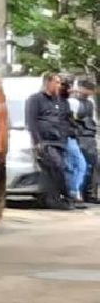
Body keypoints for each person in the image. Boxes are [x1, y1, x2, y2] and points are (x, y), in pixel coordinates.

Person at [26, 72, 75, 209]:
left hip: (60, 141)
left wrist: (66, 135)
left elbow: (67, 120)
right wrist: (37, 141)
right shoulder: (35, 99)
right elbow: (31, 121)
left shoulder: (61, 101)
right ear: (48, 82)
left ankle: (54, 199)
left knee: (57, 170)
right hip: (46, 142)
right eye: (57, 82)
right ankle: (65, 196)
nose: (59, 86)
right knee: (57, 166)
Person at [61, 76, 87, 203]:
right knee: (79, 164)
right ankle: (73, 191)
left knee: (71, 166)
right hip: (68, 137)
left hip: (68, 137)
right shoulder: (71, 102)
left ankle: (71, 192)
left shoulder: (65, 102)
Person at [74, 78, 99, 203]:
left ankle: (90, 193)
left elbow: (93, 120)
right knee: (81, 166)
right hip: (80, 136)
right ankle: (79, 192)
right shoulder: (74, 102)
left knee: (92, 165)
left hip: (90, 136)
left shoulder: (89, 103)